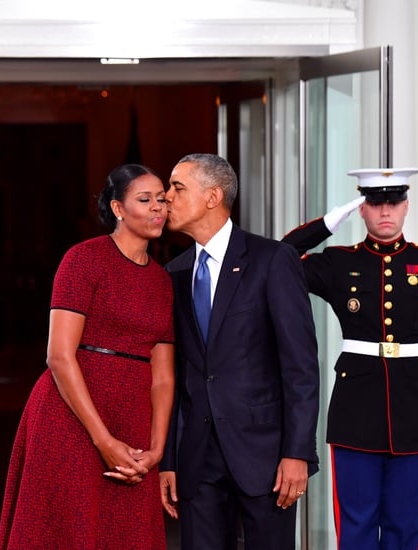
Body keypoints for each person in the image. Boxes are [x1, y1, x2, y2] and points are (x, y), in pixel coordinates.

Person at [0, 164, 175, 549]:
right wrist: (104, 441)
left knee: (127, 532)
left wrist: (157, 449)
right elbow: (59, 356)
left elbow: (163, 376)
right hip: (70, 416)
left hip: (133, 422)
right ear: (118, 208)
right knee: (66, 530)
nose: (158, 207)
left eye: (162, 198)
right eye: (145, 199)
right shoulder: (84, 259)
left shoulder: (163, 280)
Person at [282, 167, 418, 550]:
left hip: (416, 414)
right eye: (375, 203)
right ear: (362, 210)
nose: (385, 211)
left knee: (404, 526)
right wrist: (326, 224)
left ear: (406, 206)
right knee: (356, 524)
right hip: (355, 412)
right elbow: (280, 259)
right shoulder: (338, 263)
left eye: (393, 202)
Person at [159, 153, 320, 550]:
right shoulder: (174, 273)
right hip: (197, 460)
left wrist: (297, 452)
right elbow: (177, 375)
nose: (166, 197)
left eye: (178, 188)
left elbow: (300, 367)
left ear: (213, 197)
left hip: (266, 459)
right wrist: (169, 461)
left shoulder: (271, 260)